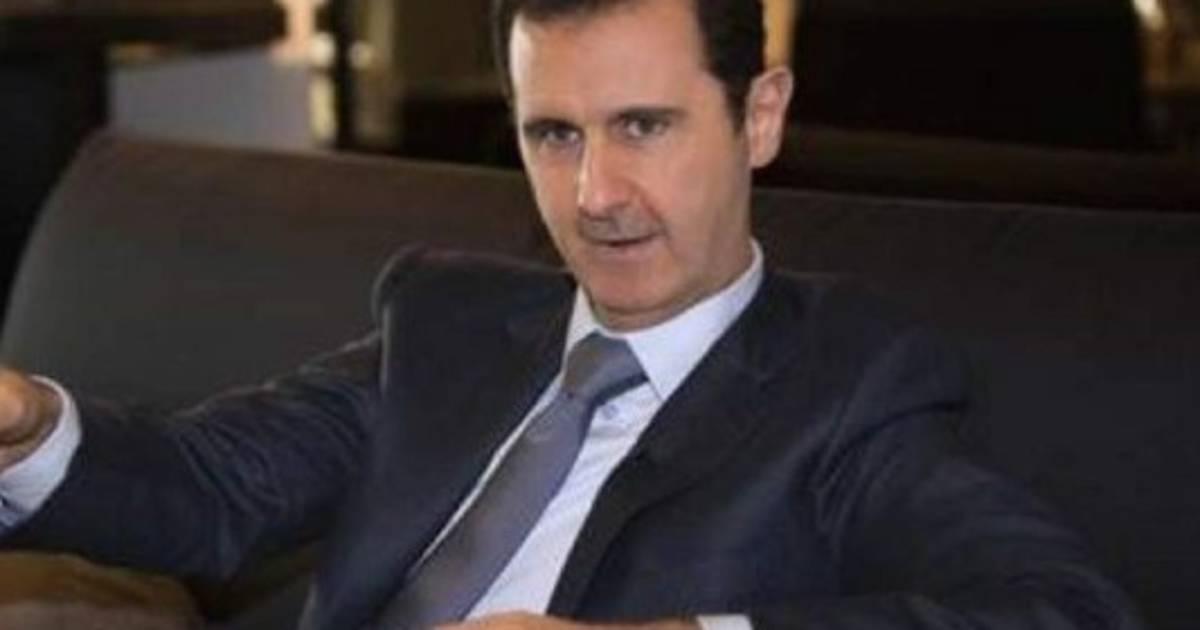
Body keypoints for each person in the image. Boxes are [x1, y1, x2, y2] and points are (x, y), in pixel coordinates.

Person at [0, 1, 1144, 629]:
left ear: (758, 117)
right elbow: (208, 489)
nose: (594, 194)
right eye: (554, 135)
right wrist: (26, 427)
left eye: (643, 126)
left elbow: (1058, 611)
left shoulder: (845, 381)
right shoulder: (447, 321)